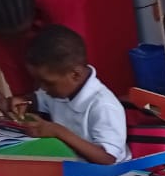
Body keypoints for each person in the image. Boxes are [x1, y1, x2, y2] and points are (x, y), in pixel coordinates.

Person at [9, 25, 130, 165]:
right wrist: (24, 101)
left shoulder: (103, 106)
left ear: (75, 75)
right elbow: (38, 100)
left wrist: (58, 131)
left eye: (47, 83)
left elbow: (107, 158)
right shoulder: (58, 92)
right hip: (73, 165)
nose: (43, 88)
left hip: (111, 175)